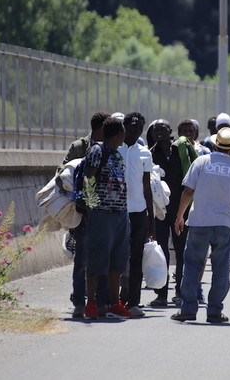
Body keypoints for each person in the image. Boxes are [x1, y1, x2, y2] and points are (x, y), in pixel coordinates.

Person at [171, 127, 230, 323]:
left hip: (200, 221)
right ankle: (214, 311)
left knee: (192, 266)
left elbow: (188, 191)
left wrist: (180, 216)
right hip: (224, 224)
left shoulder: (201, 162)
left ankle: (188, 308)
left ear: (214, 144)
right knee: (221, 268)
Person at [58, 111, 110, 318]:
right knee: (81, 260)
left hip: (104, 212)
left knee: (101, 259)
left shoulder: (111, 147)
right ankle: (80, 301)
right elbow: (62, 172)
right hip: (83, 212)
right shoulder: (79, 147)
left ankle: (96, 300)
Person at [83, 116, 133, 320]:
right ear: (120, 133)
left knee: (117, 261)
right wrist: (91, 205)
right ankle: (91, 303)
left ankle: (114, 303)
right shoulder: (97, 150)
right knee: (97, 259)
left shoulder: (117, 154)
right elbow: (89, 177)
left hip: (119, 214)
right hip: (102, 214)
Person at [149, 119, 198, 307]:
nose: (159, 132)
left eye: (163, 129)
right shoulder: (150, 154)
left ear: (171, 132)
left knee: (181, 252)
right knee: (161, 252)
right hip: (159, 212)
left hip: (181, 210)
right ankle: (161, 294)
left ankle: (180, 291)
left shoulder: (182, 151)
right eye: (156, 129)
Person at [117, 112, 155, 318]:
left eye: (140, 127)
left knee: (136, 259)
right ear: (124, 126)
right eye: (132, 126)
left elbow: (147, 188)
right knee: (116, 257)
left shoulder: (144, 153)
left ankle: (133, 302)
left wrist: (151, 221)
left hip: (139, 212)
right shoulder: (114, 149)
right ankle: (113, 300)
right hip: (117, 212)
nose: (136, 130)